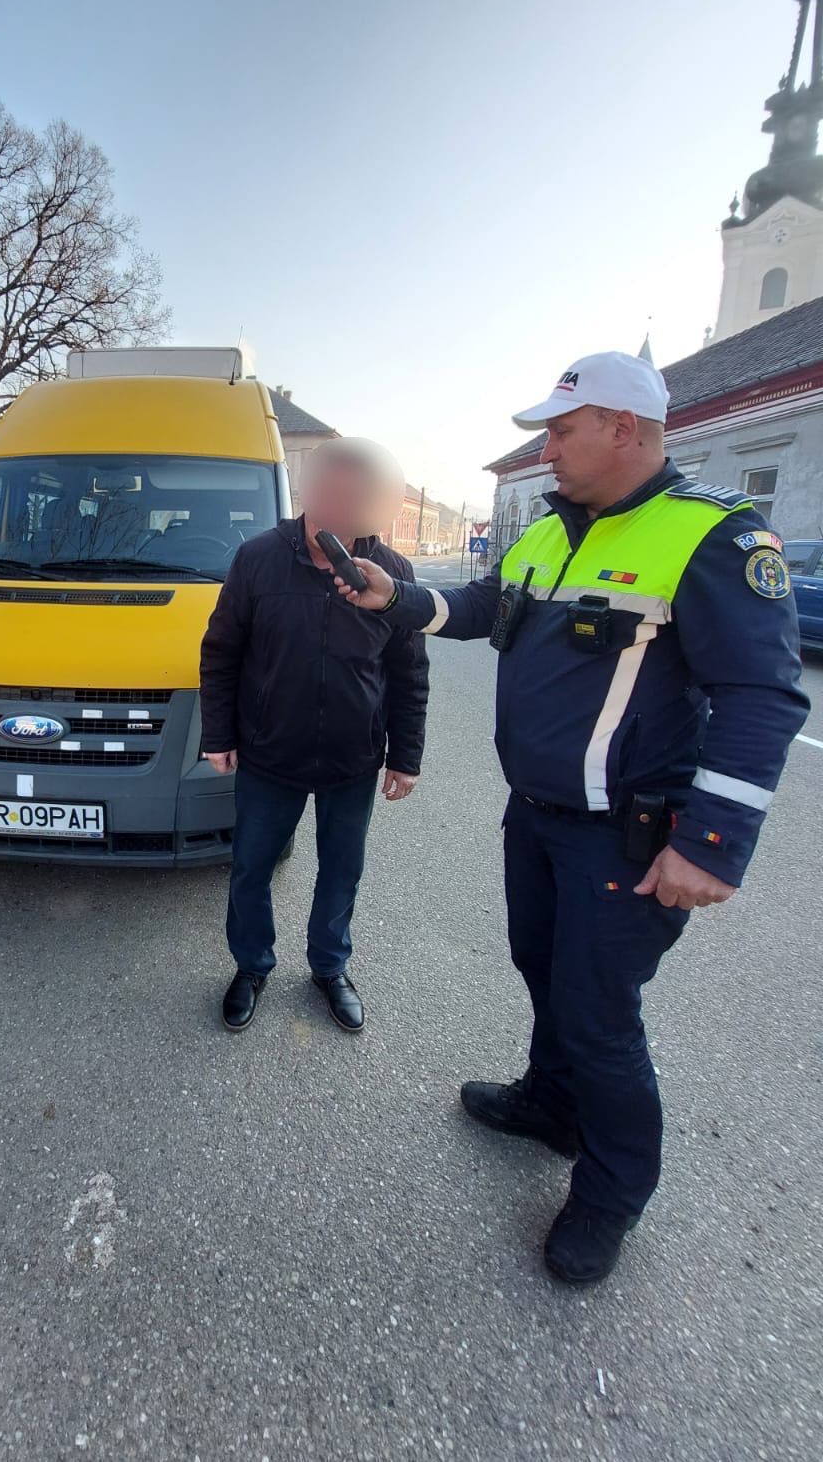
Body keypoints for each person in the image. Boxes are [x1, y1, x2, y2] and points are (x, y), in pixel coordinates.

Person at [333, 352, 810, 1284]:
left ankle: (612, 1193)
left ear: (624, 429)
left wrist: (710, 845)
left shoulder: (711, 535)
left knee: (599, 1016)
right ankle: (551, 1105)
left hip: (624, 834)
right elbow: (483, 606)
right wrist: (400, 600)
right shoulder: (553, 531)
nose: (545, 450)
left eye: (560, 431)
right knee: (542, 968)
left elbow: (762, 697)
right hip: (539, 817)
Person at [199, 438, 429, 1034]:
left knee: (341, 870)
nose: (341, 507)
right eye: (332, 493)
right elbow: (221, 652)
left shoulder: (393, 573)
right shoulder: (258, 559)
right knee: (251, 868)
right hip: (269, 753)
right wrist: (219, 733)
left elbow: (409, 671)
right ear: (311, 492)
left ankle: (330, 967)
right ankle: (251, 965)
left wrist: (405, 755)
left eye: (356, 497)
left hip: (353, 759)